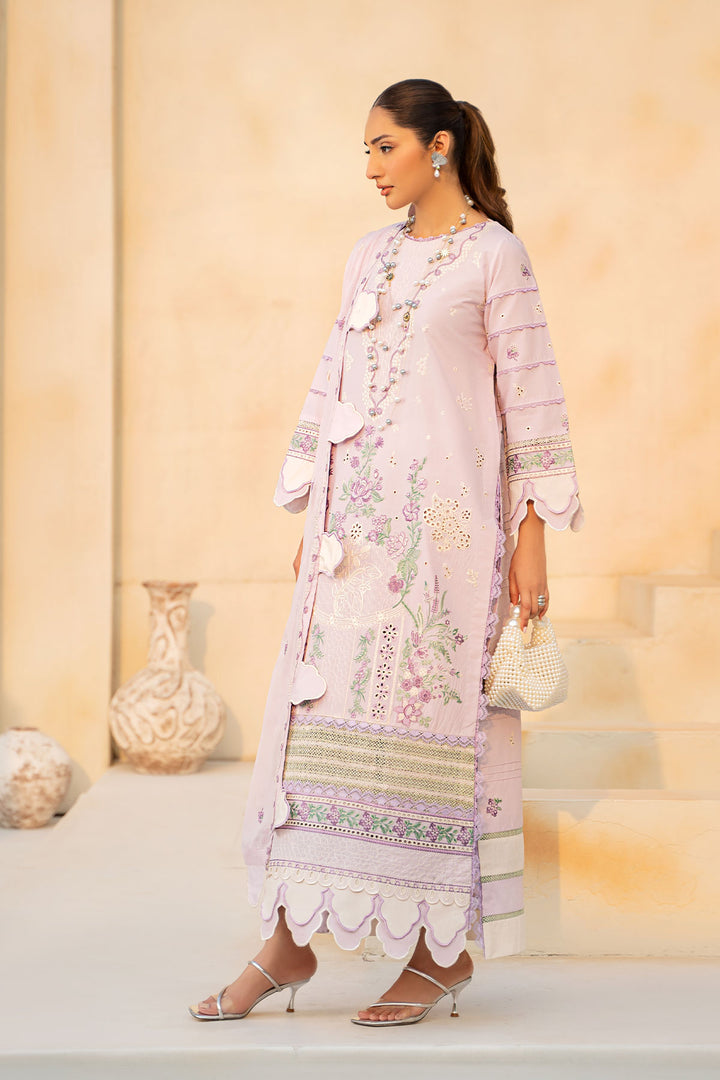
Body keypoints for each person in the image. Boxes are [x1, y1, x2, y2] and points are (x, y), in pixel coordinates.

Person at [189, 77, 584, 1027]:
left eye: (384, 147)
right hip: (354, 537)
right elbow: (335, 383)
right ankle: (289, 942)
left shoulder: (495, 257)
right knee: (321, 723)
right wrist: (316, 513)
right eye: (364, 151)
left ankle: (438, 954)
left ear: (437, 146)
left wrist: (532, 537)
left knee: (428, 725)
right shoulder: (368, 256)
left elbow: (531, 398)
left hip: (447, 539)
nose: (371, 168)